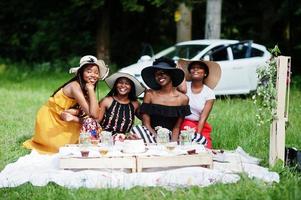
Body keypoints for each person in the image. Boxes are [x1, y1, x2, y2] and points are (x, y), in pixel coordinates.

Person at [23, 55, 109, 154]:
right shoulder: (74, 86)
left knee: (92, 127)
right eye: (89, 71)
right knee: (68, 147)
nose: (93, 75)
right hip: (51, 120)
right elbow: (93, 115)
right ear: (81, 73)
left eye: (96, 73)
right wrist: (90, 89)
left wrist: (90, 91)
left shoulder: (86, 88)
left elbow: (94, 114)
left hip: (65, 118)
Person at [134, 57, 191, 143]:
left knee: (198, 138)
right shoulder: (150, 94)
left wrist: (172, 144)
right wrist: (159, 140)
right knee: (137, 130)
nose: (160, 76)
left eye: (163, 73)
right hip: (151, 135)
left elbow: (176, 127)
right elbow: (146, 124)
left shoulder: (183, 99)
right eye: (157, 74)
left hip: (171, 136)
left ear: (171, 74)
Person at [177, 59, 221, 149]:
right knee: (188, 144)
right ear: (189, 72)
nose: (195, 69)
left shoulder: (209, 93)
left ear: (205, 73)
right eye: (193, 68)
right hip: (184, 122)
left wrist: (198, 136)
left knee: (206, 147)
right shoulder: (185, 86)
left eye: (199, 68)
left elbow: (203, 117)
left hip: (200, 124)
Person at [98, 72, 145, 138]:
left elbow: (145, 119)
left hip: (124, 139)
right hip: (105, 138)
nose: (123, 85)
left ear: (131, 87)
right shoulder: (107, 101)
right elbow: (97, 121)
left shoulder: (135, 104)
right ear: (116, 85)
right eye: (120, 82)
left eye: (127, 83)